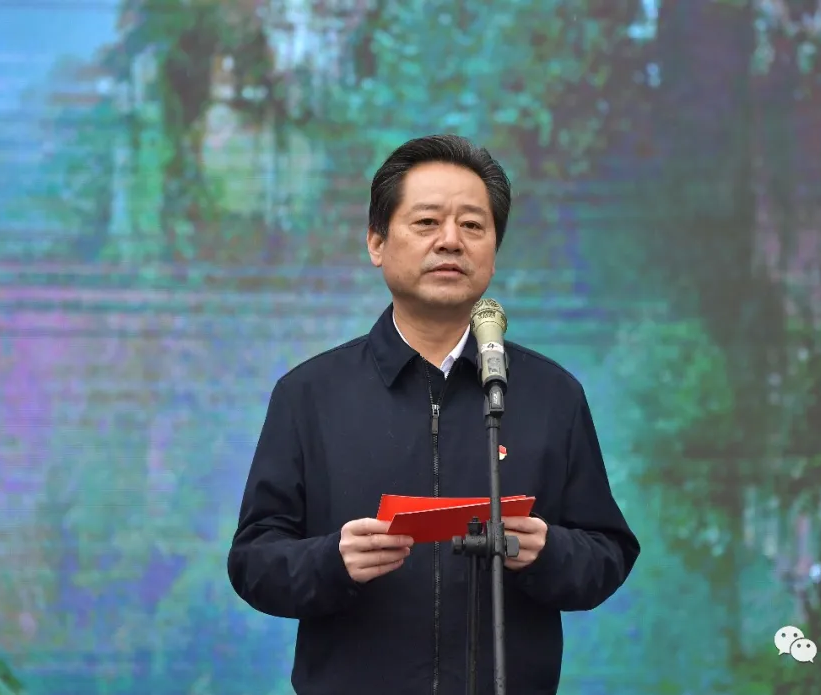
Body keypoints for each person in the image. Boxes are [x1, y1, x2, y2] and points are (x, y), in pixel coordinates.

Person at [227, 134, 640, 695]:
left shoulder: (550, 394)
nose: (451, 240)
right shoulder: (310, 394)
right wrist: (333, 560)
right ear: (377, 242)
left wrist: (549, 552)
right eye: (426, 222)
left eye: (472, 225)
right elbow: (253, 562)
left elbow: (608, 552)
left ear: (494, 249)